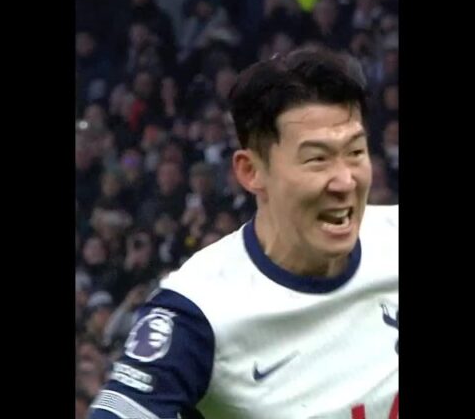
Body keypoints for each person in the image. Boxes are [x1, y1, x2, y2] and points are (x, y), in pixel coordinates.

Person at [88, 47, 399, 418]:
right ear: (251, 171)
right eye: (317, 158)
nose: (345, 180)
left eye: (355, 152)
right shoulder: (198, 311)